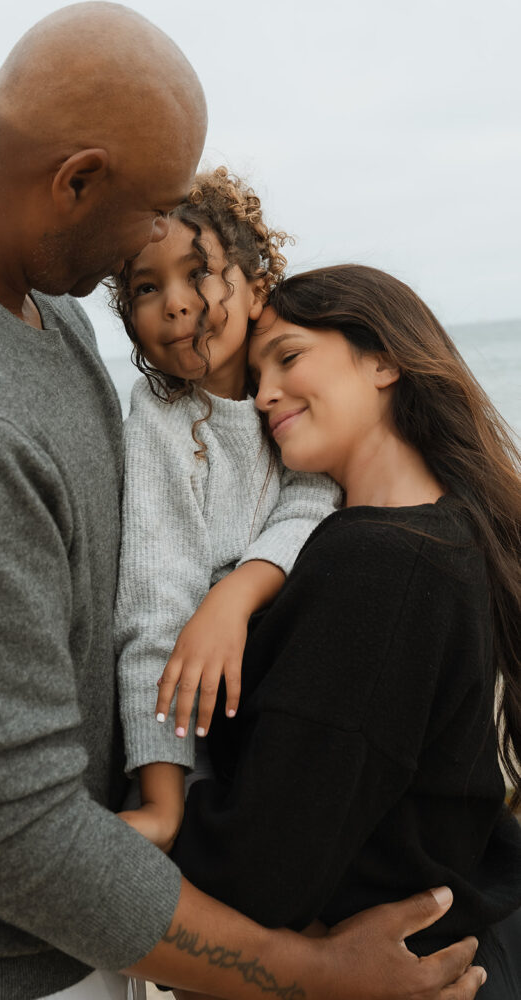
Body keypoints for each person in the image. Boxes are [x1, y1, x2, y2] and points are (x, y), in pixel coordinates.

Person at [0, 3, 485, 1000]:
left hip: (93, 933)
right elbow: (8, 832)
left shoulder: (41, 309)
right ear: (77, 181)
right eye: (148, 212)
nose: (156, 252)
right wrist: (304, 980)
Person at [168, 264, 521, 1000]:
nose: (262, 394)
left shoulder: (381, 563)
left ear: (383, 359)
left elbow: (261, 868)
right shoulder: (453, 530)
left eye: (288, 358)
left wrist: (125, 823)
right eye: (255, 374)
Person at [112, 167, 340, 851]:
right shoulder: (158, 417)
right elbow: (154, 600)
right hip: (192, 712)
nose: (175, 304)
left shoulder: (289, 388)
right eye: (146, 288)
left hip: (294, 686)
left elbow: (318, 494)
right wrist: (161, 798)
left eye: (198, 274)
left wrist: (238, 594)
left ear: (256, 289)